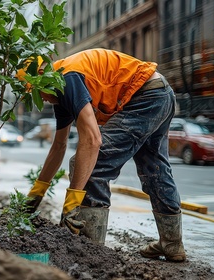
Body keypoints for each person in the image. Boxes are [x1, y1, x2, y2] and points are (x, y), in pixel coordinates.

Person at [23, 48, 185, 262]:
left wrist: (73, 200)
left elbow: (92, 141)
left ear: (41, 79)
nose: (39, 99)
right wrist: (37, 193)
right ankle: (172, 244)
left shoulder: (68, 78)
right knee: (154, 168)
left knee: (93, 163)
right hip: (159, 93)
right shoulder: (60, 92)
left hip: (146, 95)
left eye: (35, 91)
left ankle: (91, 250)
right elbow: (58, 146)